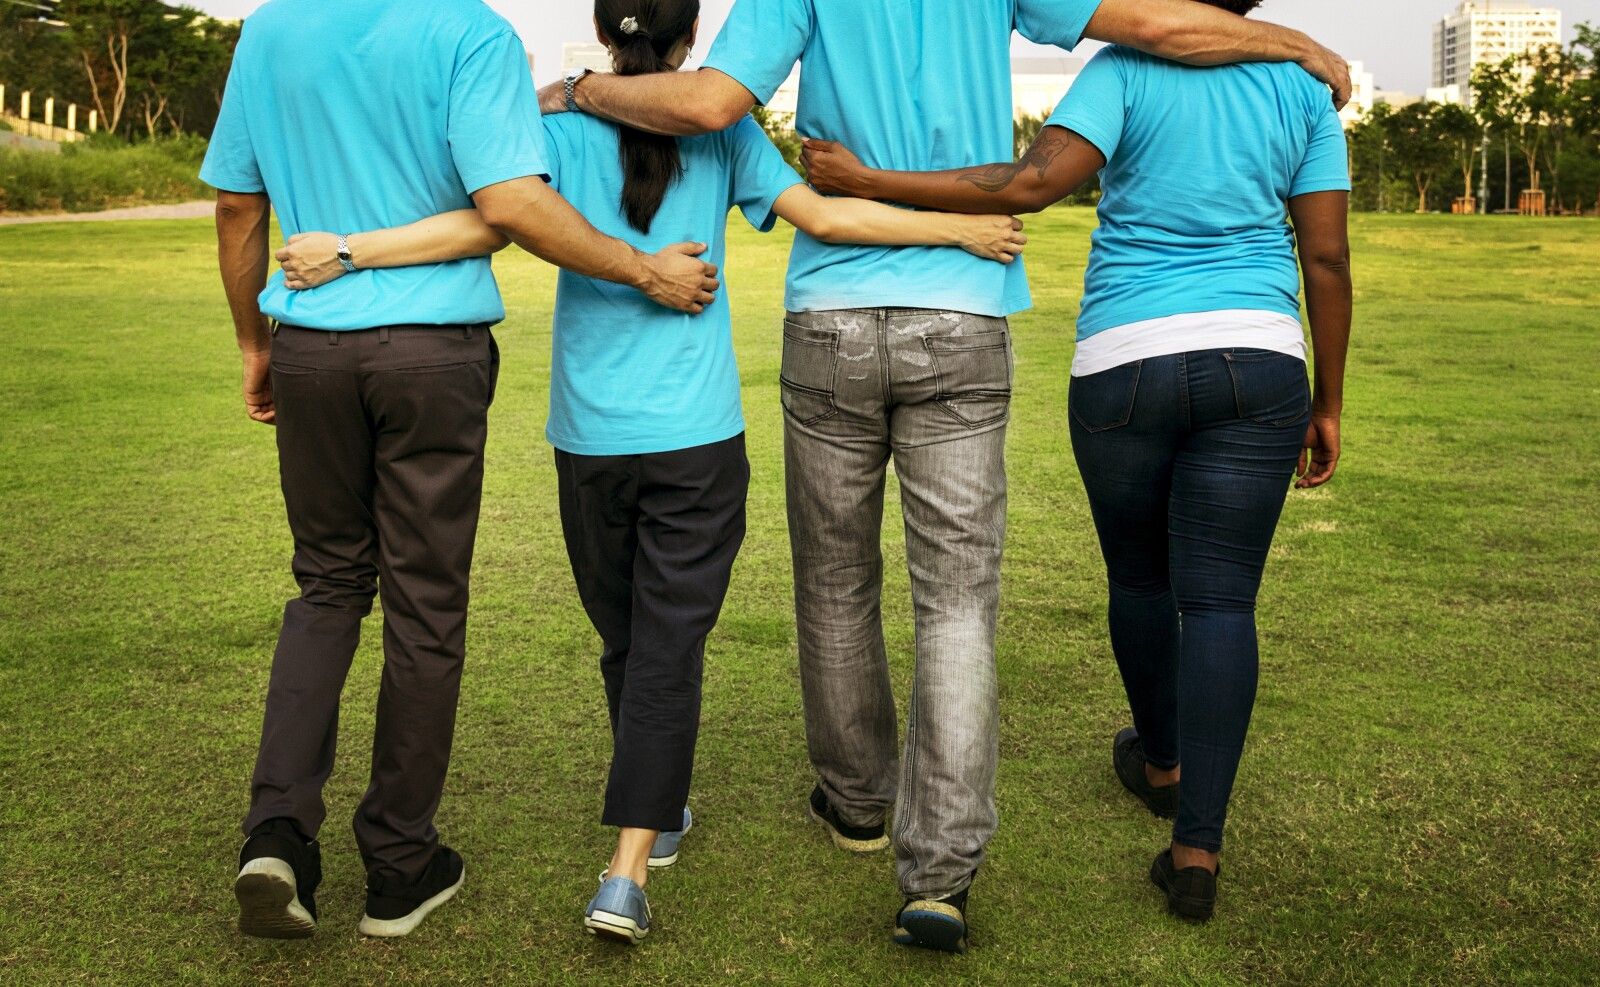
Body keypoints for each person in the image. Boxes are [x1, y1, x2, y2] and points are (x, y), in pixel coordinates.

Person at [538, 0, 1351, 953]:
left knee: (835, 583)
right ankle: (939, 874)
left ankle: (856, 803)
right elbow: (1164, 29)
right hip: (963, 316)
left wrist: (587, 87)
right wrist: (1293, 40)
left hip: (832, 316)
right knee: (958, 602)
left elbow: (715, 101)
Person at [272, 0, 1024, 946]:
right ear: (686, 46)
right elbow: (824, 217)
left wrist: (348, 251)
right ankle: (635, 849)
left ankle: (652, 825)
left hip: (589, 437)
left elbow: (482, 216)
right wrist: (957, 234)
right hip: (696, 436)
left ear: (604, 30)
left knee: (628, 639)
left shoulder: (553, 125)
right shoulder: (728, 135)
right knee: (662, 648)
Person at [802, 0, 1353, 924]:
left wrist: (871, 177)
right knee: (1221, 600)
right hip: (1260, 356)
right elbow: (1327, 257)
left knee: (1140, 578)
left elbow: (1025, 185)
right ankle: (1196, 848)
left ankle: (1162, 761)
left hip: (1124, 358)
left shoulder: (1124, 71)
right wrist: (1328, 398)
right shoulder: (1303, 88)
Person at [203, 0, 720, 941]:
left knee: (325, 588)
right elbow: (508, 207)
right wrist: (643, 270)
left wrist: (253, 341)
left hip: (311, 347)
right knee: (424, 605)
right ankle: (400, 868)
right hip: (432, 354)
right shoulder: (471, 33)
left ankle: (276, 834)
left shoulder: (270, 29)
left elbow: (239, 204)